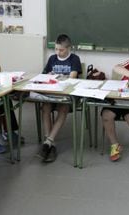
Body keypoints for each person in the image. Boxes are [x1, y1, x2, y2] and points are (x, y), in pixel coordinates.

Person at [37, 34, 82, 163]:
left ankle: (48, 142)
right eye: (56, 49)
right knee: (45, 107)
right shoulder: (52, 58)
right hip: (52, 92)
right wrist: (48, 76)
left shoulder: (74, 59)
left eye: (61, 50)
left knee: (63, 108)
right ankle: (50, 141)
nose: (58, 52)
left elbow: (72, 77)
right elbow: (44, 75)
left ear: (69, 48)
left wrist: (57, 76)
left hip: (66, 94)